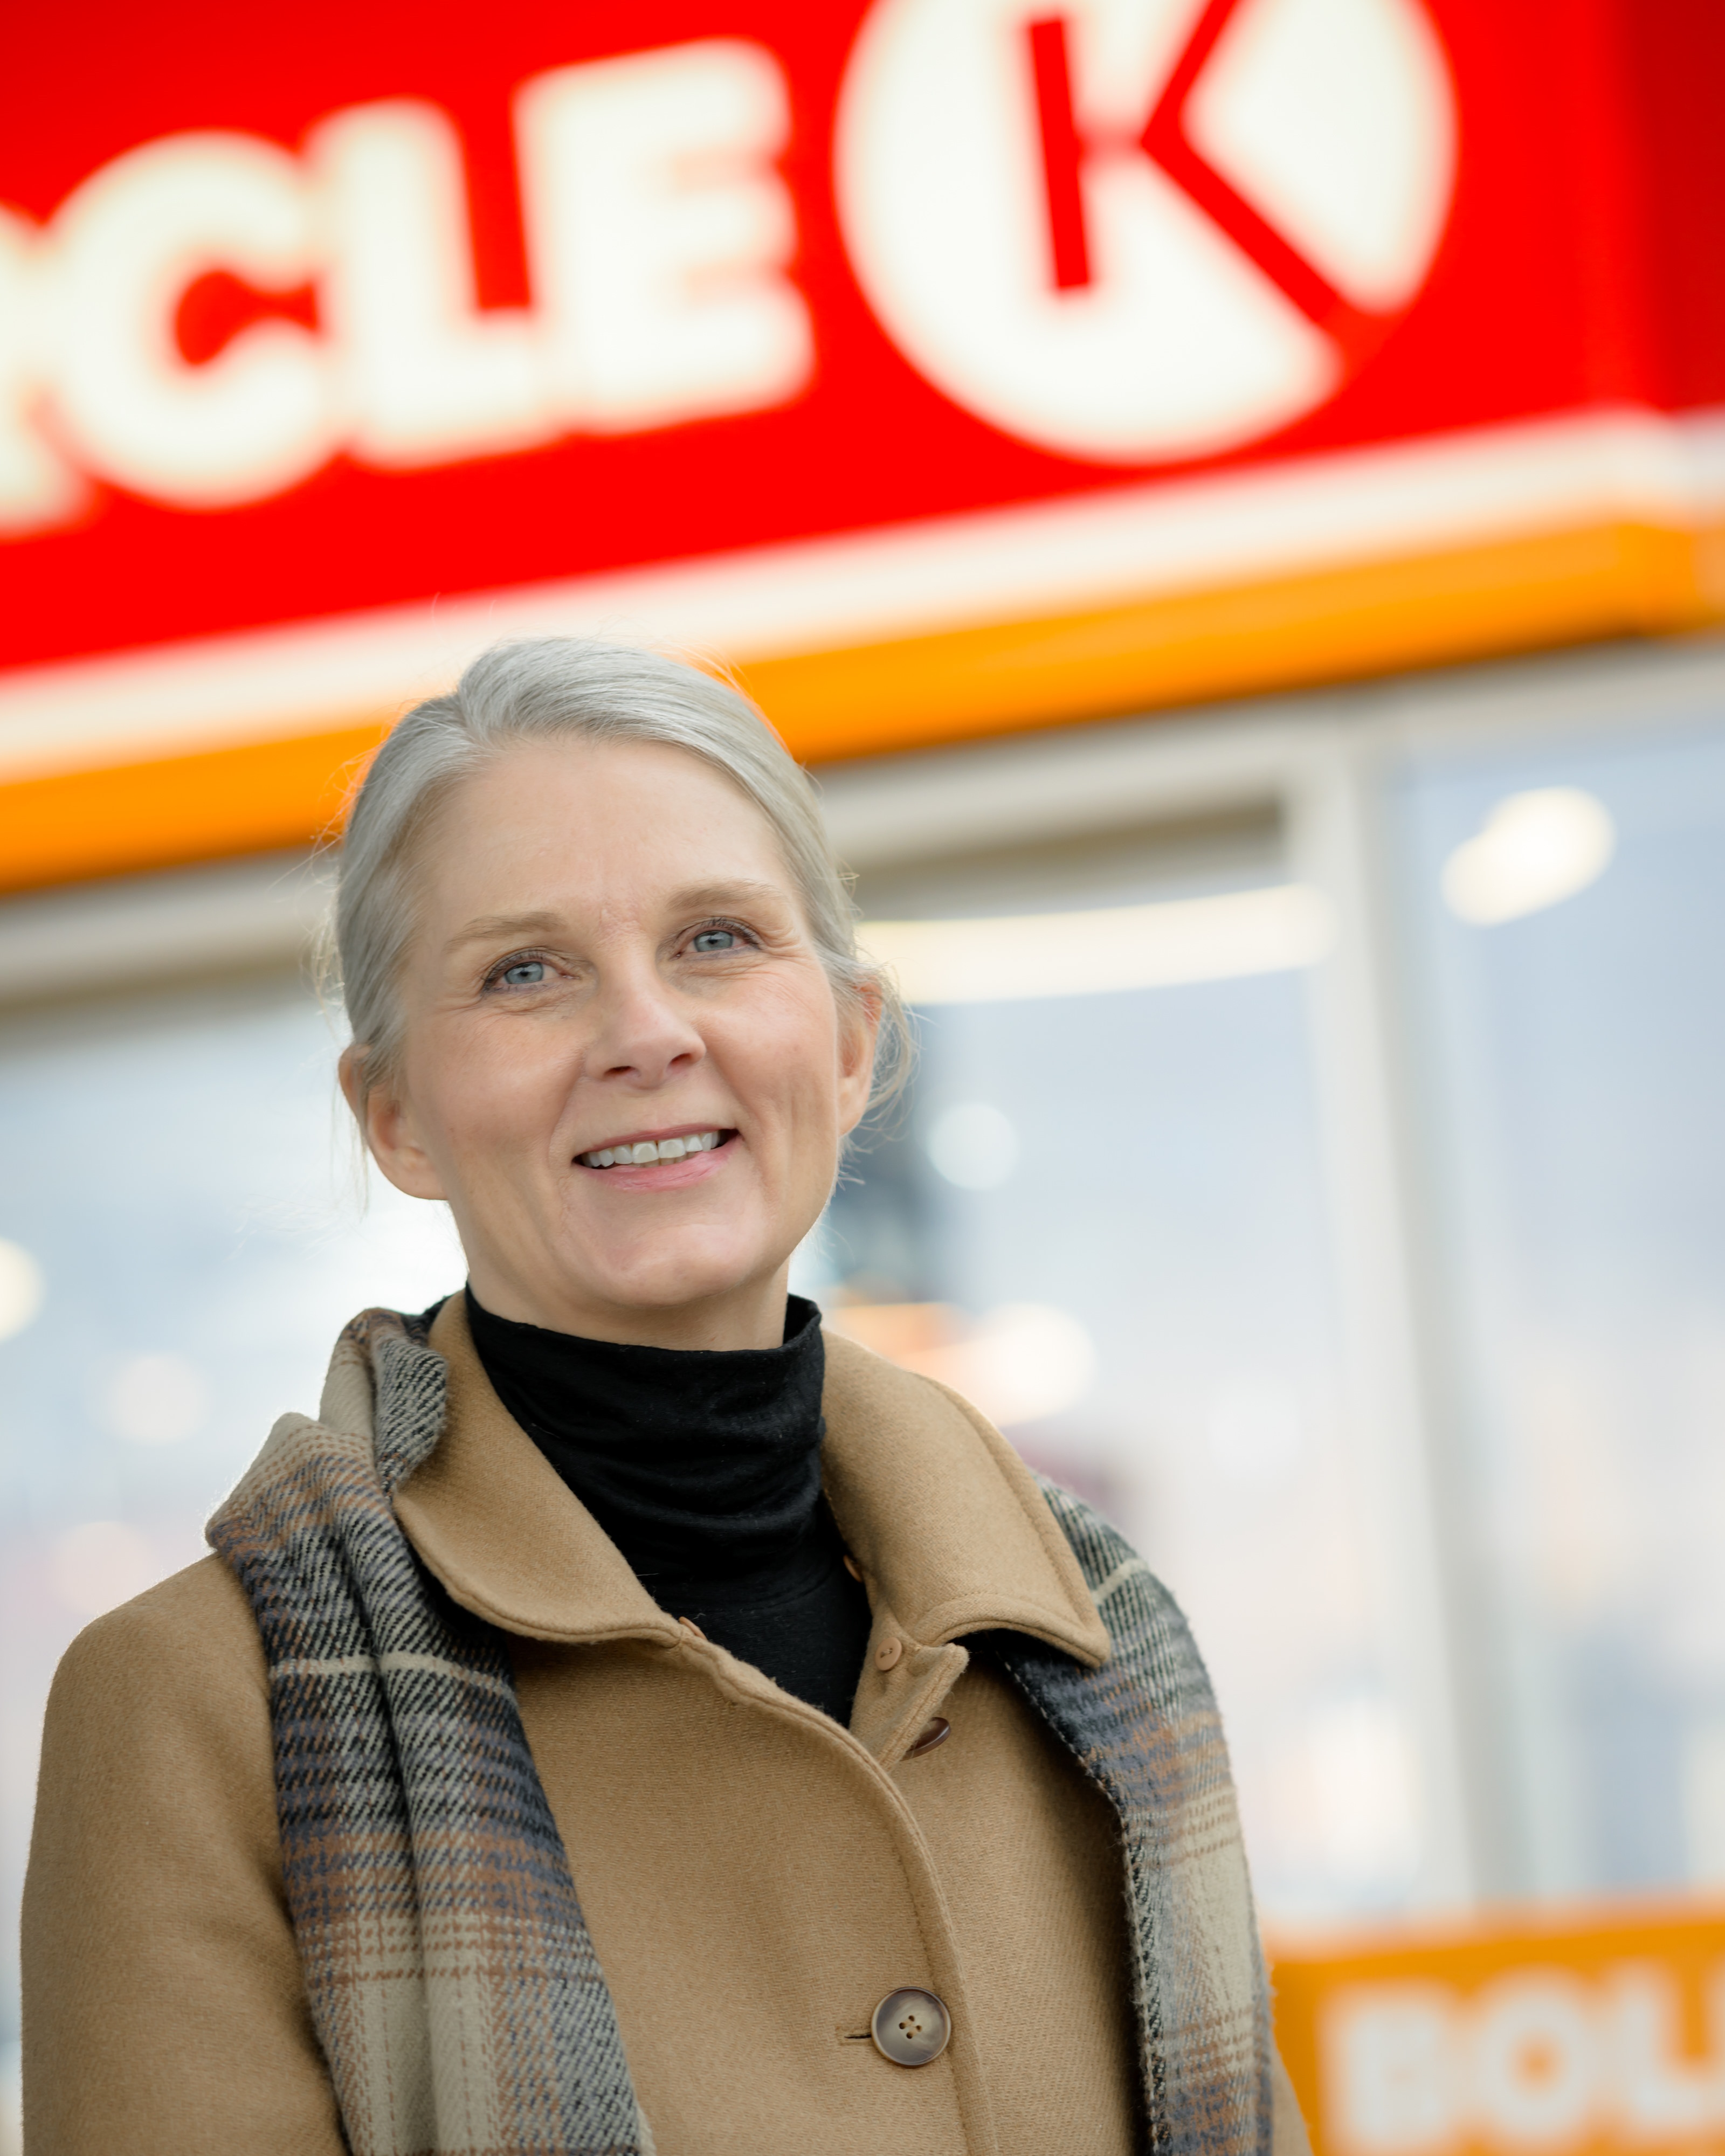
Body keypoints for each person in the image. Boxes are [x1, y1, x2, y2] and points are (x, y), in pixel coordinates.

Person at [22, 638, 1312, 2156]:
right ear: (396, 1117)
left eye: (717, 939)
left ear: (849, 1043)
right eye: (525, 971)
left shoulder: (1104, 1638)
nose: (646, 1033)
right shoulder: (195, 1710)